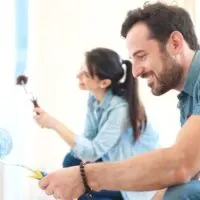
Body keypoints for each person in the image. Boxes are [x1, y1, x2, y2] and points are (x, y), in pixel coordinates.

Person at [37, 2, 200, 199]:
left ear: (175, 43)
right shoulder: (187, 98)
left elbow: (181, 165)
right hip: (137, 183)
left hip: (137, 188)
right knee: (71, 161)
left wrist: (85, 177)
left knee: (181, 193)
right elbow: (190, 169)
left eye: (142, 56)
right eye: (133, 60)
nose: (136, 71)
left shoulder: (120, 109)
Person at [34, 47, 159, 200]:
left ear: (104, 82)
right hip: (111, 159)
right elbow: (89, 138)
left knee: (80, 188)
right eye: (81, 69)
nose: (78, 75)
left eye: (85, 74)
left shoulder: (121, 110)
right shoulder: (94, 98)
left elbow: (93, 152)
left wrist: (54, 124)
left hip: (131, 176)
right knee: (71, 161)